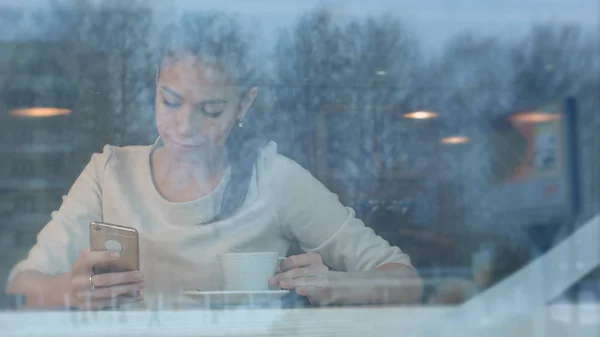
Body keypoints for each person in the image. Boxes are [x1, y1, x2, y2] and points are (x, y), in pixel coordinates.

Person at [5, 13, 422, 310]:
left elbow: (405, 281)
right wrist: (66, 291)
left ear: (245, 104)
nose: (185, 126)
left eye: (211, 109)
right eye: (170, 101)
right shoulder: (108, 175)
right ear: (154, 83)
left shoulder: (273, 180)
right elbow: (21, 285)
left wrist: (334, 286)